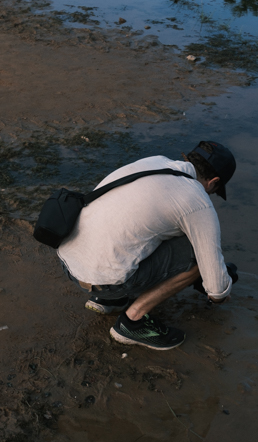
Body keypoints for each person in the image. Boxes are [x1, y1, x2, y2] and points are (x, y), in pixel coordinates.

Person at [57, 140, 237, 351]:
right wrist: (220, 287)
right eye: (213, 191)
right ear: (214, 182)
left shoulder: (155, 162)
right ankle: (132, 322)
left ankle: (110, 299)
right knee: (198, 256)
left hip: (68, 261)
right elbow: (217, 292)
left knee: (150, 227)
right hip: (101, 279)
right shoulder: (197, 201)